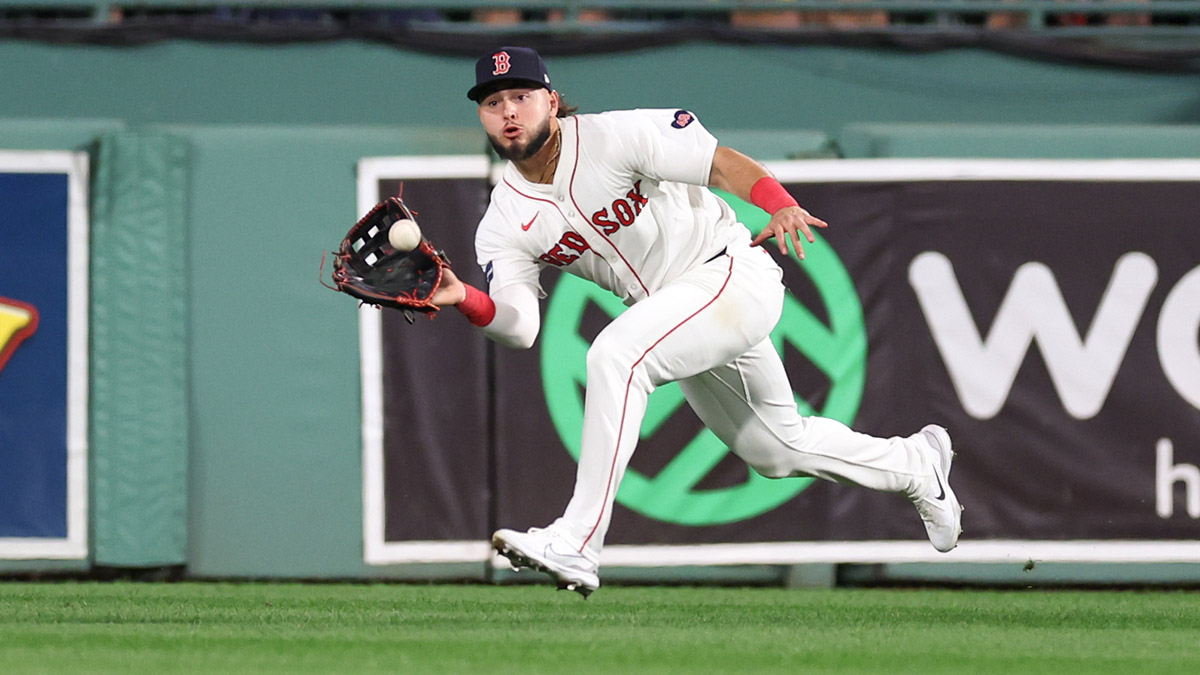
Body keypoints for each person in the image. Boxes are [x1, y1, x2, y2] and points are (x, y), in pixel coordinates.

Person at [431, 46, 962, 597]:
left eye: (522, 95)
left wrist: (777, 202)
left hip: (730, 277)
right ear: (482, 116)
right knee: (778, 450)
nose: (510, 111)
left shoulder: (615, 137)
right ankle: (916, 464)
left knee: (616, 355)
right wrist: (462, 295)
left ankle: (577, 541)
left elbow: (720, 162)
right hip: (676, 315)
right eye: (494, 102)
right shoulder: (503, 220)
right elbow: (520, 327)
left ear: (552, 101)